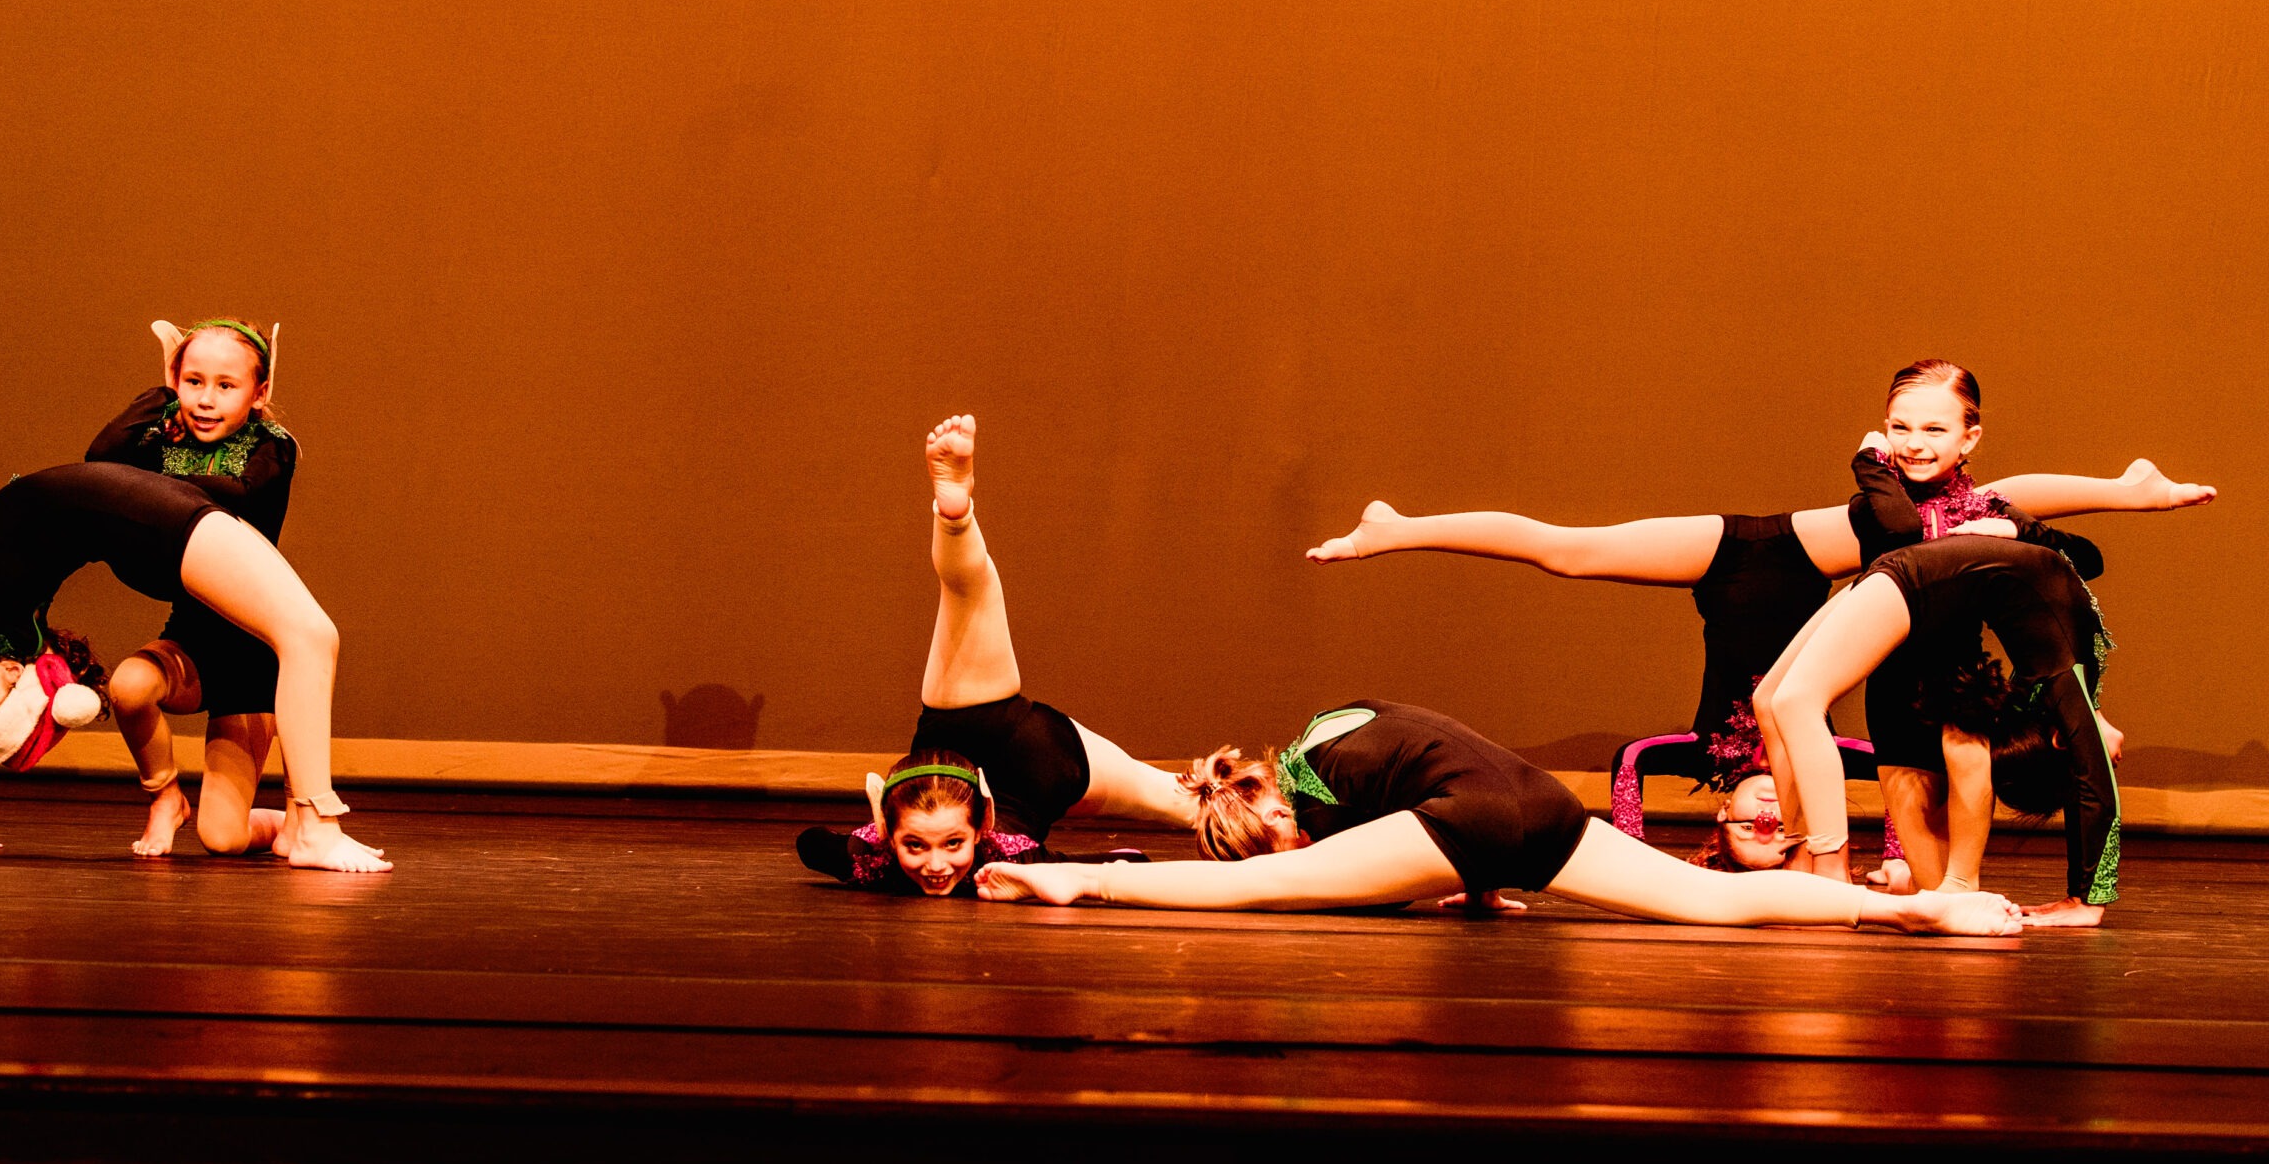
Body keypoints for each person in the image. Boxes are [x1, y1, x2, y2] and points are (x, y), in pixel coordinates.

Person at [1307, 359, 2205, 879]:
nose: (1913, 442)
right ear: (1883, 427)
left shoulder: (1958, 504)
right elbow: (1928, 516)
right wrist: (1879, 464)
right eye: (1899, 428)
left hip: (1812, 581)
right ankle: (1399, 526)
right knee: (1571, 549)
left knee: (1791, 706)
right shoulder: (1893, 488)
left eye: (1934, 430)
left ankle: (1843, 868)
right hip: (1751, 551)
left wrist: (2126, 494)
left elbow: (2021, 495)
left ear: (1968, 435)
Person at [974, 701, 2021, 936]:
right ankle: (1919, 910)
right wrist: (1471, 887)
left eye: (1283, 834)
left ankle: (1081, 879)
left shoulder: (1314, 788)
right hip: (1536, 804)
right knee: (1711, 903)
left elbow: (1317, 870)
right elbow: (1426, 771)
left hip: (1472, 820)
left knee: (1256, 896)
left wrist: (1442, 877)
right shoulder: (1331, 730)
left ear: (1273, 807)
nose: (1301, 848)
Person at [0, 461, 387, 872]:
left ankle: (312, 828)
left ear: (14, 677)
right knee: (309, 637)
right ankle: (306, 827)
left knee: (308, 637)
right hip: (151, 528)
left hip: (153, 522)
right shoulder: (5, 641)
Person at [794, 416, 1194, 895]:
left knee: (967, 594)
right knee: (1192, 803)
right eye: (915, 846)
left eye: (950, 844)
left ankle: (955, 513)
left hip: (974, 725)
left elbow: (813, 845)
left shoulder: (880, 858)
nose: (936, 865)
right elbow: (1128, 860)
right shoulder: (1007, 857)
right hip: (1047, 765)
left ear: (983, 825)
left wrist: (875, 851)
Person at [1752, 533, 2120, 926]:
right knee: (1788, 700)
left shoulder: (2050, 690)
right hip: (1912, 580)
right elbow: (2092, 779)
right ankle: (1825, 871)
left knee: (1777, 699)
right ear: (2057, 740)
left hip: (1922, 589)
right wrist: (2086, 900)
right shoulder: (2065, 679)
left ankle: (1807, 863)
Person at [88, 318, 300, 858]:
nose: (206, 399)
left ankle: (278, 824)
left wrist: (150, 488)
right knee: (130, 687)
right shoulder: (163, 443)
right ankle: (165, 798)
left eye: (226, 386)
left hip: (250, 660)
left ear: (260, 392)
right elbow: (100, 460)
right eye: (193, 381)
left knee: (223, 839)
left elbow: (240, 496)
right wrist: (162, 393)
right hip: (191, 641)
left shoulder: (273, 447)